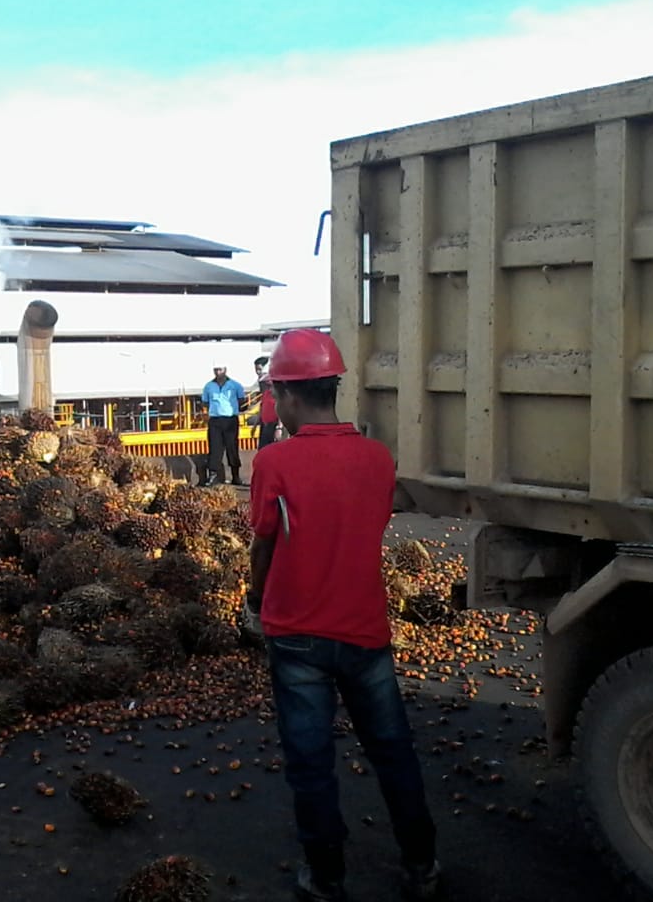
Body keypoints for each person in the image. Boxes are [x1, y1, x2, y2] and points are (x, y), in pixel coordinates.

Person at [244, 329, 440, 902]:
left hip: (296, 635)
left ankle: (326, 880)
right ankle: (422, 866)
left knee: (311, 765)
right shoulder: (378, 458)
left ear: (285, 394)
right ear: (332, 387)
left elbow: (264, 543)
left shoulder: (274, 461)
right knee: (393, 754)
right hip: (364, 632)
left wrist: (256, 599)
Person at [202, 363, 246, 486]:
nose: (218, 372)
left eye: (220, 369)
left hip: (230, 419)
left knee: (232, 448)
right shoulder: (209, 386)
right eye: (215, 370)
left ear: (225, 370)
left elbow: (241, 400)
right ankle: (213, 475)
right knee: (215, 448)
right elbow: (205, 402)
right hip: (215, 420)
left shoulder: (235, 385)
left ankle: (235, 476)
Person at [252, 355, 279, 449]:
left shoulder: (279, 392)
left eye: (259, 369)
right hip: (265, 422)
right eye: (256, 370)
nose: (257, 372)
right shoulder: (265, 391)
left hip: (273, 423)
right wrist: (256, 424)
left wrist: (279, 427)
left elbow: (282, 408)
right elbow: (262, 405)